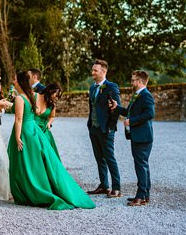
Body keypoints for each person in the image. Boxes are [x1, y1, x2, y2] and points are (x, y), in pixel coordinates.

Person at [8, 70, 95, 210]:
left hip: (26, 130)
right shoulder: (31, 96)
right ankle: (32, 190)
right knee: (32, 162)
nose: (13, 82)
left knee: (25, 162)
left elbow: (19, 119)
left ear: (20, 82)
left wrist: (17, 137)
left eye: (15, 80)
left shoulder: (21, 98)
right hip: (34, 130)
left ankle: (31, 192)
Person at [109, 69, 155, 206]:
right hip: (138, 136)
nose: (131, 82)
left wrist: (132, 121)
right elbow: (128, 112)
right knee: (142, 165)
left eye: (133, 80)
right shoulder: (137, 95)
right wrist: (117, 107)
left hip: (143, 136)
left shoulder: (145, 95)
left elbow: (150, 113)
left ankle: (141, 197)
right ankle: (144, 195)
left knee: (141, 165)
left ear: (140, 81)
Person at [86, 59, 122, 197]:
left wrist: (110, 128)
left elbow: (116, 109)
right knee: (99, 158)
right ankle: (104, 185)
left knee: (109, 157)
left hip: (106, 129)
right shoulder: (92, 87)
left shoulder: (112, 87)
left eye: (95, 70)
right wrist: (90, 124)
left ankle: (116, 188)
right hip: (93, 127)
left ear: (103, 71)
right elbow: (92, 107)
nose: (92, 72)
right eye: (93, 70)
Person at [34, 81, 63, 159]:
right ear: (50, 90)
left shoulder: (52, 104)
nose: (57, 98)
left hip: (44, 129)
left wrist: (49, 123)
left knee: (46, 154)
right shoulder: (34, 96)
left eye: (58, 97)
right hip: (32, 129)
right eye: (56, 95)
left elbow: (52, 117)